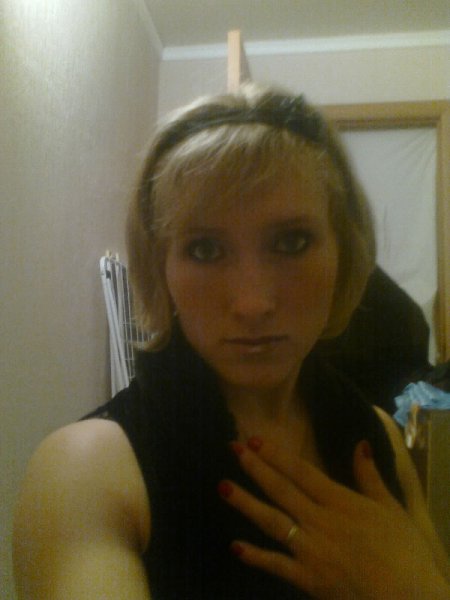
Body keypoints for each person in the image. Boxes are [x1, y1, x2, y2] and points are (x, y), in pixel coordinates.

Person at [13, 84, 449, 599]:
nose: (251, 303)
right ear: (160, 267)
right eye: (204, 249)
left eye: (291, 242)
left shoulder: (380, 437)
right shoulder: (87, 470)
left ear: (345, 254)